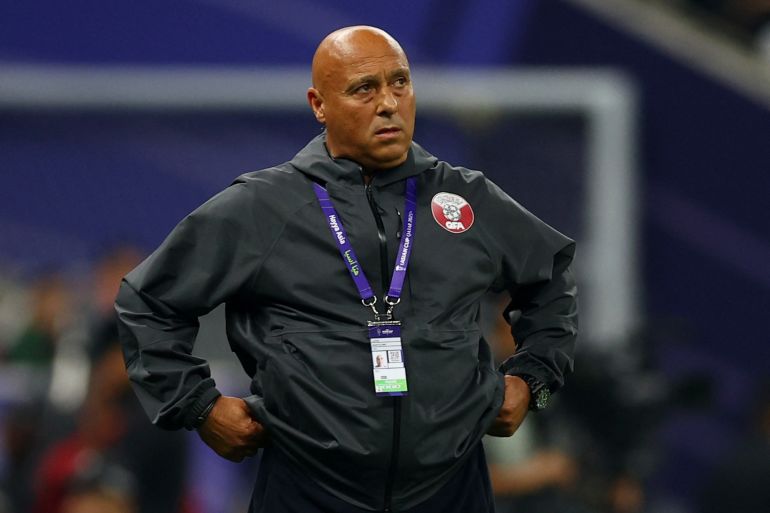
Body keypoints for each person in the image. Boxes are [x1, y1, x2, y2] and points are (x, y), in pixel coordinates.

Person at [115, 26, 577, 513]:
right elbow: (146, 302)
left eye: (400, 82)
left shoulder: (464, 198)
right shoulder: (265, 206)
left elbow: (551, 281)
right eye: (364, 89)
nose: (389, 103)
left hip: (451, 488)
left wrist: (532, 383)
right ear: (319, 104)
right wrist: (201, 407)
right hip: (309, 491)